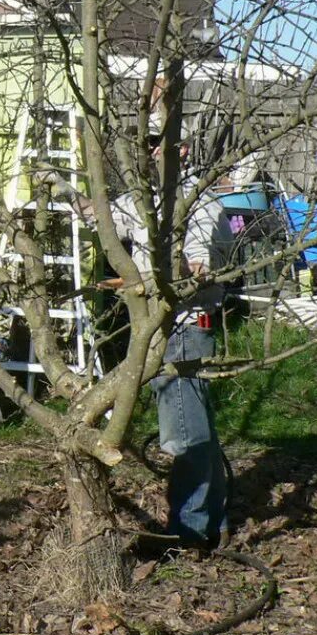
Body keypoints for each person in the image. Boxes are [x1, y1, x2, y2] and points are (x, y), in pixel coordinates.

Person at [54, 144, 230, 547]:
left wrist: (158, 274)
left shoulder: (198, 203)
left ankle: (189, 532)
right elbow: (100, 217)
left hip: (184, 326)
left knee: (185, 434)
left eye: (156, 142)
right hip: (156, 329)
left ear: (180, 150)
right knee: (197, 429)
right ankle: (213, 521)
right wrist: (65, 188)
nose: (147, 151)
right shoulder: (141, 201)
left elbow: (198, 271)